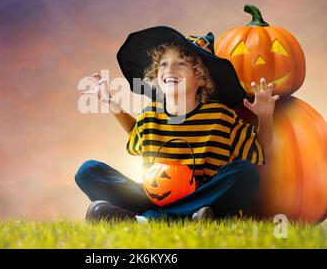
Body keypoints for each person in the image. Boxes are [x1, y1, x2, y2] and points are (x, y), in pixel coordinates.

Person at [76, 26, 279, 222]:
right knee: (88, 171)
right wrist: (113, 105)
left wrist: (265, 116)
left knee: (245, 174)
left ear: (200, 77)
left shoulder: (220, 117)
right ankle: (174, 217)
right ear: (156, 73)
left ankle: (147, 220)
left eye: (181, 63)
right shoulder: (150, 115)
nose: (170, 69)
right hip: (154, 196)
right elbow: (135, 135)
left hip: (202, 198)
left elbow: (259, 149)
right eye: (164, 64)